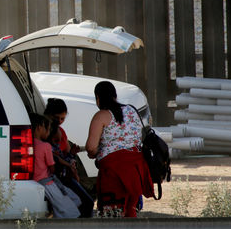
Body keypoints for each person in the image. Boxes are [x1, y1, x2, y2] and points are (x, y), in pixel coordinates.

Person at [85, 81, 154, 217]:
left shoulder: (101, 116)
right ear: (115, 96)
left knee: (112, 211)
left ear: (98, 98)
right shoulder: (132, 110)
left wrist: (94, 153)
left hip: (113, 172)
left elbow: (91, 147)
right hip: (135, 170)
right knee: (130, 209)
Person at [31, 113, 80, 218]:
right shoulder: (45, 146)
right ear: (39, 128)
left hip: (33, 181)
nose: (48, 133)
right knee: (67, 209)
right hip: (47, 182)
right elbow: (51, 167)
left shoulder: (29, 144)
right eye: (47, 129)